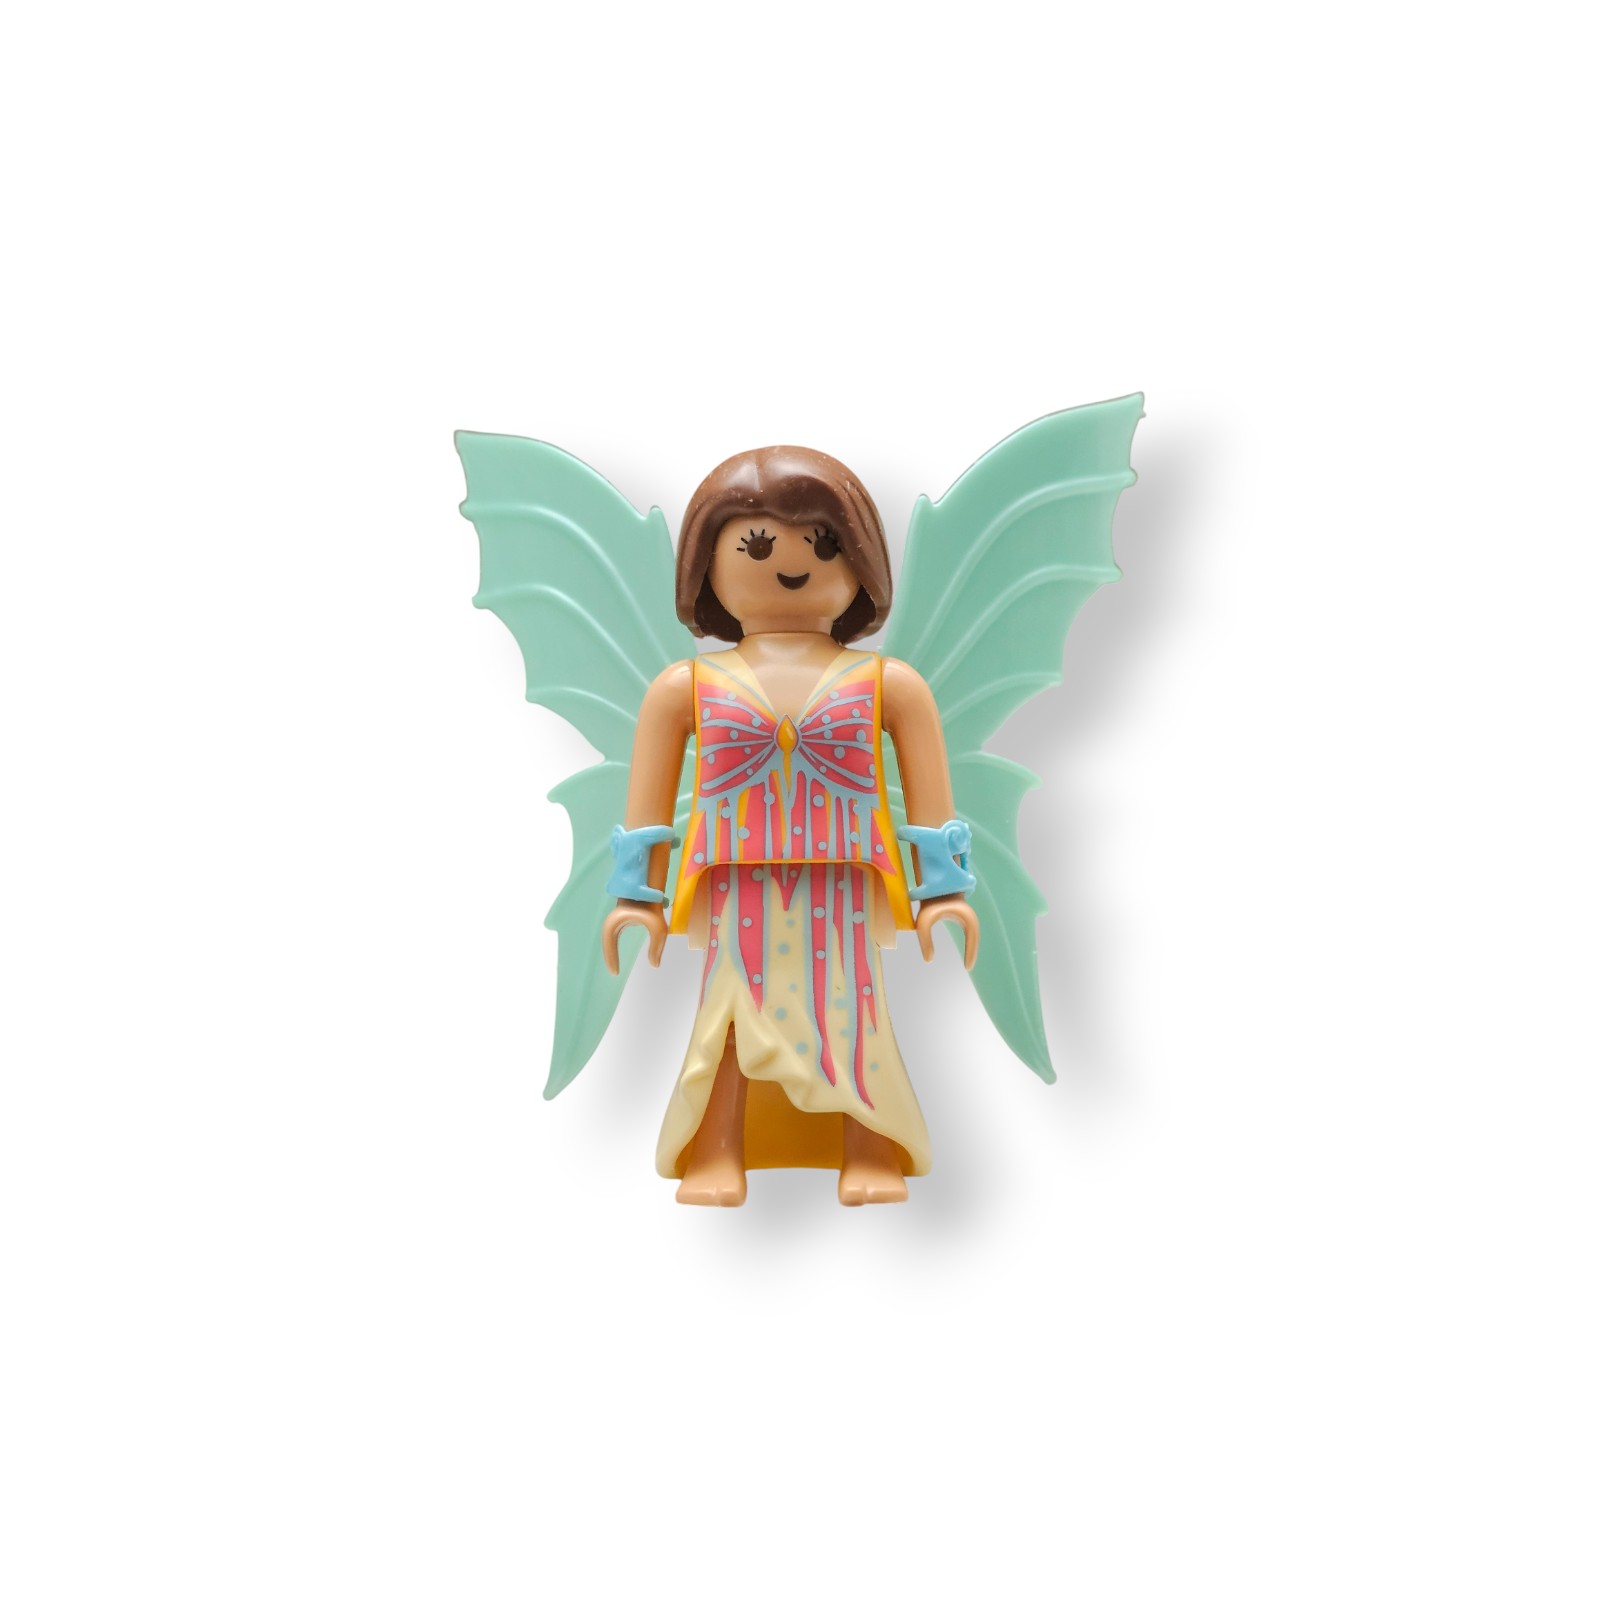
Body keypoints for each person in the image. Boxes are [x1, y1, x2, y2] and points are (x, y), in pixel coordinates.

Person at [602, 446, 978, 1206]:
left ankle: (870, 1146)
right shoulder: (685, 687)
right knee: (730, 1020)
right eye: (757, 545)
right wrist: (635, 896)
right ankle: (715, 1147)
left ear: (861, 559)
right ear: (706, 563)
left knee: (853, 1017)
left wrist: (944, 889)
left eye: (824, 542)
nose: (793, 563)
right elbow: (647, 808)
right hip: (735, 886)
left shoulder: (887, 684)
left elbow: (932, 802)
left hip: (845, 887)